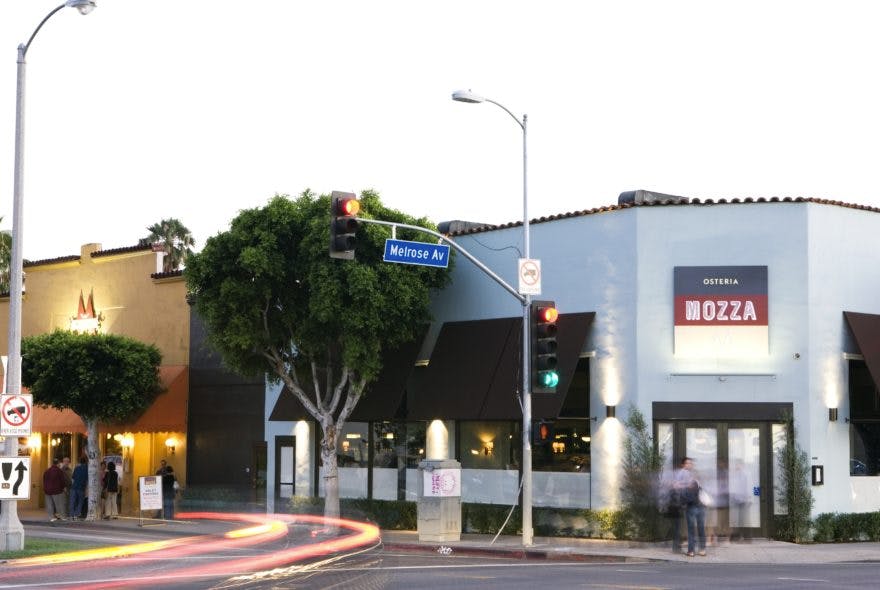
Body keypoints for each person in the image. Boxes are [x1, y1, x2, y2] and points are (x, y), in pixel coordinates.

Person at [674, 456, 706, 557]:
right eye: (687, 463)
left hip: (699, 504)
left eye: (691, 463)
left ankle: (701, 549)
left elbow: (700, 487)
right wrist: (687, 485)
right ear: (683, 464)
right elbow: (676, 486)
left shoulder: (693, 473)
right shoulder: (681, 473)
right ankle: (692, 550)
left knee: (700, 528)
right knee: (692, 529)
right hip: (691, 505)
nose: (689, 465)